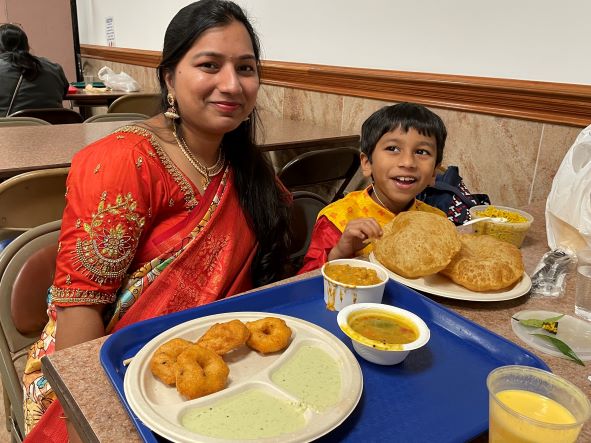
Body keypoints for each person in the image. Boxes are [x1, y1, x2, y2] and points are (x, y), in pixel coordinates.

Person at [21, 1, 290, 441]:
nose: (231, 84)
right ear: (168, 77)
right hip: (112, 367)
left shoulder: (245, 166)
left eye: (245, 68)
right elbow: (81, 307)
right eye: (209, 65)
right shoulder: (125, 162)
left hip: (216, 370)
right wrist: (89, 421)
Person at [299, 102, 447, 273]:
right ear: (367, 163)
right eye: (393, 148)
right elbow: (305, 280)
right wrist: (341, 251)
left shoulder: (437, 222)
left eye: (421, 152)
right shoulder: (337, 219)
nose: (407, 162)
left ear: (435, 171)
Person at [0, 23, 69, 116]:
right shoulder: (54, 68)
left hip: (9, 129)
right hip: (51, 128)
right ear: (26, 45)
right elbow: (63, 93)